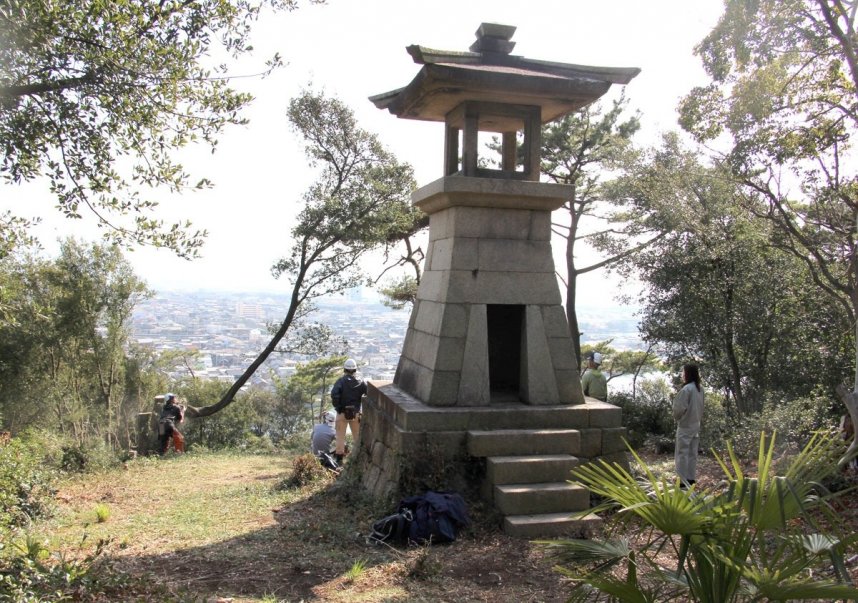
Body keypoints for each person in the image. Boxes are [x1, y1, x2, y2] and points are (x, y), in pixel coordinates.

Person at [672, 364, 704, 488]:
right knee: (692, 454)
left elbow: (678, 409)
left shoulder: (686, 390)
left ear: (687, 373)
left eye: (683, 372)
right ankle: (691, 479)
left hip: (685, 426)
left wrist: (678, 418)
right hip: (695, 424)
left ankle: (682, 482)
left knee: (682, 454)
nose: (682, 375)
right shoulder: (699, 389)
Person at [330, 358, 367, 463]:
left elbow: (334, 395)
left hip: (342, 413)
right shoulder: (360, 382)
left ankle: (339, 458)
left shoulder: (341, 381)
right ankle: (359, 457)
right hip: (355, 413)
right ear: (355, 370)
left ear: (344, 369)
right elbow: (368, 392)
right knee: (357, 437)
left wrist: (339, 408)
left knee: (340, 436)